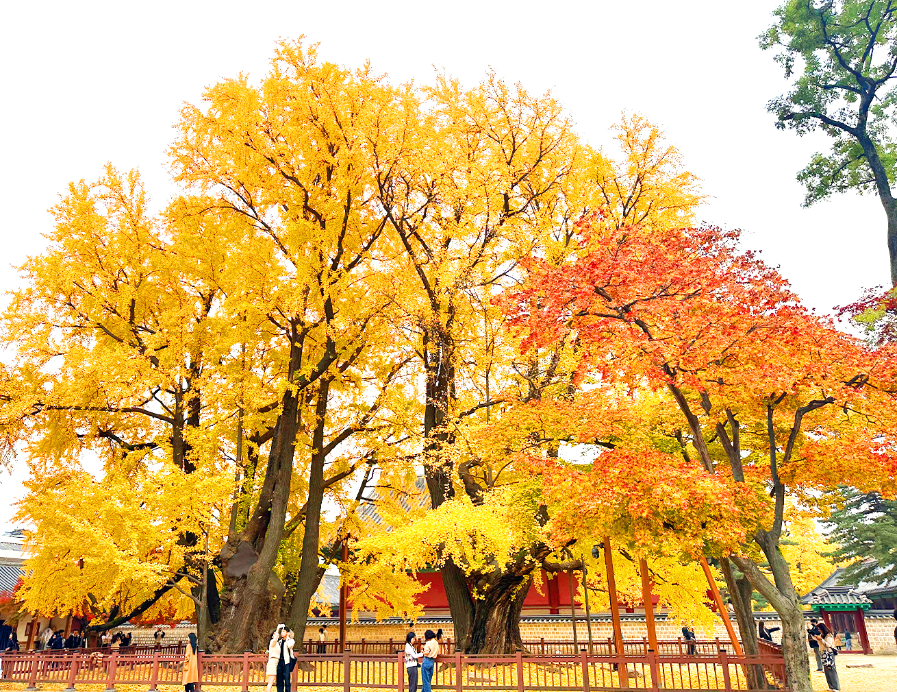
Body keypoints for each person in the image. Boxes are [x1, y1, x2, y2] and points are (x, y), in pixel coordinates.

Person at [266, 624, 289, 692]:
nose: (277, 635)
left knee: (275, 681)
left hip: (277, 662)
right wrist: (278, 628)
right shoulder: (272, 642)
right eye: (274, 634)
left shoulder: (277, 643)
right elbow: (275, 638)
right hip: (273, 662)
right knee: (270, 682)